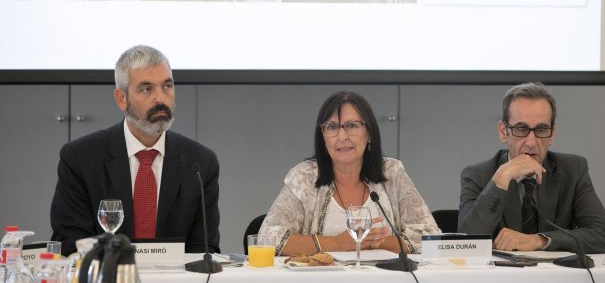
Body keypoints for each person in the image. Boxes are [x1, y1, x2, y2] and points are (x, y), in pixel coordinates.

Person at [50, 45, 220, 256]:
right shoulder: (81, 158)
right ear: (122, 99)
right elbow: (70, 242)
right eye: (147, 89)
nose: (161, 98)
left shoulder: (200, 163)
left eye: (167, 86)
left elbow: (204, 249)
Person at [259, 90, 440, 255]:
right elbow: (267, 239)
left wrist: (380, 243)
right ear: (322, 138)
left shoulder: (392, 174)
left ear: (369, 133)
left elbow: (431, 237)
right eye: (331, 127)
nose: (342, 136)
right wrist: (337, 243)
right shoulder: (303, 178)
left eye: (352, 126)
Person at [458, 82, 605, 254]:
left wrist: (539, 240)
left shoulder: (573, 170)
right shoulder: (478, 174)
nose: (531, 143)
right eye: (521, 129)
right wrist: (502, 177)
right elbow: (466, 243)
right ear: (503, 132)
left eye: (541, 129)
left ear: (552, 134)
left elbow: (603, 236)